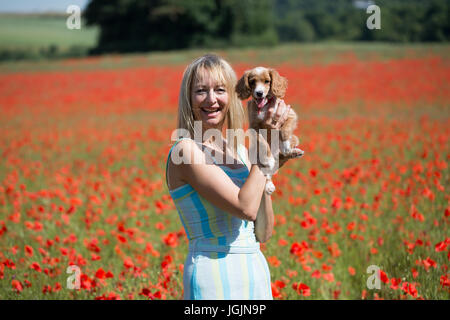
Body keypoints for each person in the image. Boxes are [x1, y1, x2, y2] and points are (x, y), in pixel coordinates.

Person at [165, 54, 296, 300]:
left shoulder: (240, 152)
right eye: (201, 91)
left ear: (233, 96)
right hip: (212, 277)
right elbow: (245, 207)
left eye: (220, 90)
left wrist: (267, 168)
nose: (211, 99)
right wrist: (267, 146)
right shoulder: (185, 150)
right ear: (188, 98)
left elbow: (263, 233)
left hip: (254, 274)